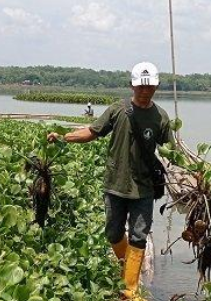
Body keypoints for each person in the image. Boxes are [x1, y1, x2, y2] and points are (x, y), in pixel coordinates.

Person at [47, 62, 172, 301]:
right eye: (140, 86)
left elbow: (170, 151)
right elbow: (91, 132)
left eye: (150, 86)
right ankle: (127, 267)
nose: (145, 91)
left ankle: (130, 289)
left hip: (144, 188)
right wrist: (64, 137)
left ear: (156, 86)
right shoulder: (118, 110)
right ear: (132, 86)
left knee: (139, 236)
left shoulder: (161, 117)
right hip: (116, 183)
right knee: (114, 233)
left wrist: (193, 174)